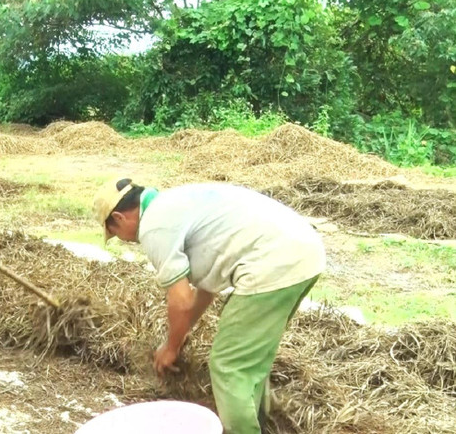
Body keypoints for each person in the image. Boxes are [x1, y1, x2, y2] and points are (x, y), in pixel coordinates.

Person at [92, 178, 326, 434]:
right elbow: (207, 289)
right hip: (303, 253)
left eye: (114, 233)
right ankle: (257, 423)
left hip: (274, 264)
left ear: (119, 217)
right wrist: (180, 337)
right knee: (250, 360)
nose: (122, 240)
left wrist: (170, 347)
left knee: (229, 365)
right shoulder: (172, 205)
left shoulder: (153, 227)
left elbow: (180, 299)